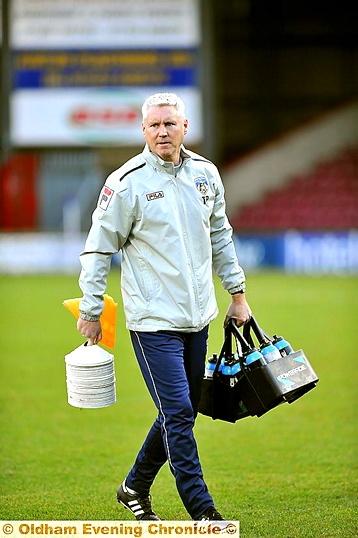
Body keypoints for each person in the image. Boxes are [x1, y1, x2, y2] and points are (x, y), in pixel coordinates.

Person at [77, 92, 251, 521]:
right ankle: (203, 512)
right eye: (154, 125)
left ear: (185, 128)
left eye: (170, 124)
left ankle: (133, 486)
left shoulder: (206, 175)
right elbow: (99, 249)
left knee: (181, 411)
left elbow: (221, 238)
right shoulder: (126, 182)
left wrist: (238, 294)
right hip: (152, 322)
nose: (162, 132)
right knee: (178, 413)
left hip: (198, 318)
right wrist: (91, 308)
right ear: (143, 131)